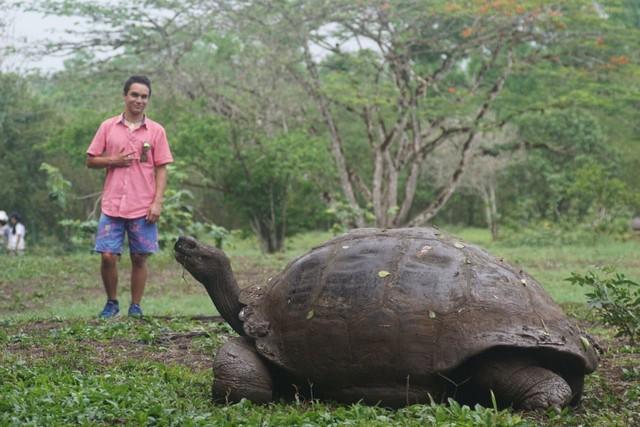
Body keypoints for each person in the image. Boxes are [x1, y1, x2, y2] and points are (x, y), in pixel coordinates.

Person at [86, 75, 173, 319]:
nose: (139, 100)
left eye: (144, 96)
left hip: (143, 205)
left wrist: (157, 202)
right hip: (112, 204)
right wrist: (114, 160)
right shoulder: (108, 127)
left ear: (148, 100)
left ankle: (135, 306)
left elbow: (162, 167)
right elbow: (91, 159)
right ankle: (112, 302)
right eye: (134, 95)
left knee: (139, 257)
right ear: (125, 96)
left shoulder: (156, 131)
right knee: (107, 255)